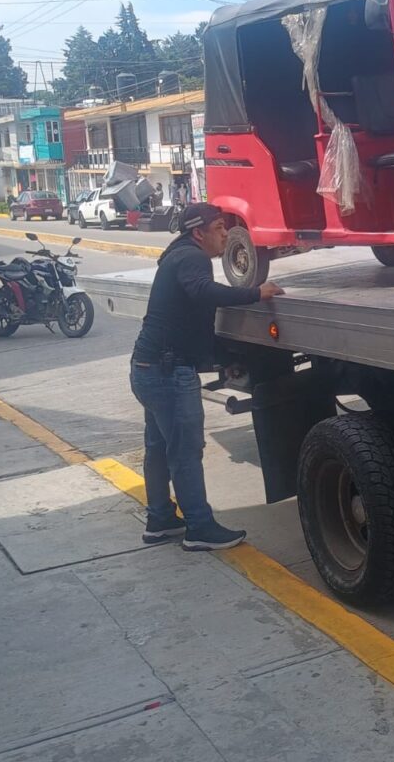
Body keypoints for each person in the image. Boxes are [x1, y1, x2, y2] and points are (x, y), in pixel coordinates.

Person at [130, 203, 284, 550]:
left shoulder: (177, 255)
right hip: (168, 373)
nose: (225, 234)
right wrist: (255, 292)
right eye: (218, 227)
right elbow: (204, 292)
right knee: (185, 451)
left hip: (147, 368)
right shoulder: (192, 258)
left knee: (158, 448)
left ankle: (160, 519)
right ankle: (199, 528)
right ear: (198, 232)